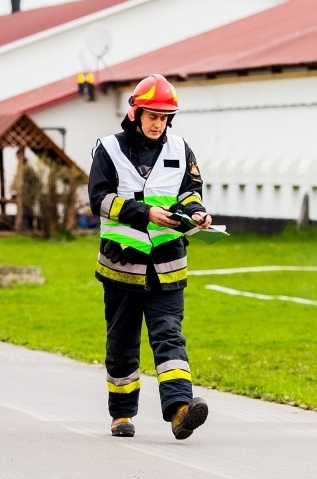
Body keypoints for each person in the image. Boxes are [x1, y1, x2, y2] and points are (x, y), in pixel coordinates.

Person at [88, 74, 212, 440]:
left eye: (164, 117)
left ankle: (180, 410)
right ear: (136, 112)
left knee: (169, 336)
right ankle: (122, 413)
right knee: (122, 342)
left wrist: (198, 213)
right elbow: (100, 199)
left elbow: (191, 191)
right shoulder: (108, 150)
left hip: (168, 267)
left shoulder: (180, 149)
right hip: (122, 267)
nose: (158, 123)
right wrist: (143, 212)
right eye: (152, 116)